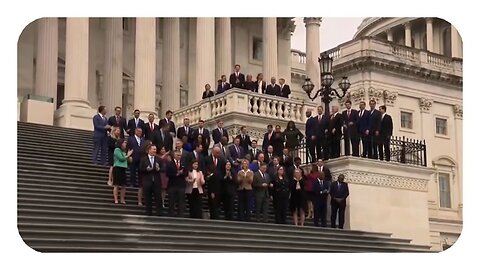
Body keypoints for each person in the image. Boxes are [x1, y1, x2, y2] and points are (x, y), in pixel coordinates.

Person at [140, 144, 162, 216]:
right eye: (153, 149)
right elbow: (140, 169)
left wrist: (159, 169)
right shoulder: (143, 159)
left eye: (155, 149)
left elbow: (163, 169)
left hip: (156, 181)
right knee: (147, 197)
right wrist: (146, 169)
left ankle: (159, 212)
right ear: (148, 150)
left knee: (158, 197)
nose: (155, 151)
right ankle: (148, 212)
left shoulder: (159, 159)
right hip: (147, 181)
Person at [127, 127, 146, 205]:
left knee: (140, 171)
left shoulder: (143, 140)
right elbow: (128, 147)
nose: (140, 132)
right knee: (132, 170)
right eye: (138, 131)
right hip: (133, 156)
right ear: (135, 131)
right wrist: (129, 156)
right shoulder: (130, 139)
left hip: (141, 158)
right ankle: (132, 182)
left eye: (141, 131)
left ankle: (139, 183)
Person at [206, 146, 226, 219]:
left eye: (219, 153)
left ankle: (216, 216)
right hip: (211, 184)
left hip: (219, 185)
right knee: (211, 202)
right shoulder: (207, 159)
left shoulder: (221, 160)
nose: (219, 154)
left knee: (217, 203)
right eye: (217, 153)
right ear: (213, 152)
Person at [166, 150, 188, 217]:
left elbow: (186, 173)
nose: (179, 157)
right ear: (174, 155)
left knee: (181, 201)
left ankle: (180, 215)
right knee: (171, 200)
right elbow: (167, 173)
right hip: (172, 184)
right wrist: (176, 174)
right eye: (178, 155)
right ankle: (171, 214)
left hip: (181, 185)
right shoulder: (170, 163)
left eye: (180, 155)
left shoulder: (184, 163)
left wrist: (182, 173)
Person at [112, 139, 133, 204]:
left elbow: (129, 161)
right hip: (117, 168)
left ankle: (122, 199)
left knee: (124, 185)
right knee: (116, 185)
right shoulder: (117, 150)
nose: (125, 144)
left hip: (123, 168)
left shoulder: (125, 151)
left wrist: (130, 158)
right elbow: (121, 159)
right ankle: (116, 199)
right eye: (124, 143)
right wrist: (128, 155)